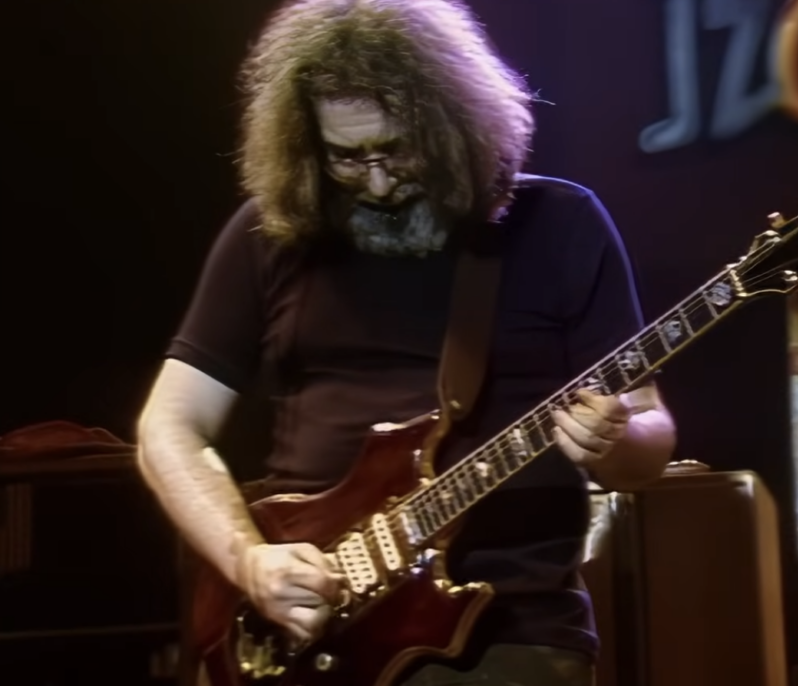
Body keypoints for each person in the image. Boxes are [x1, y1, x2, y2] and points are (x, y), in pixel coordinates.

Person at [135, 0, 677, 684]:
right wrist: (247, 559)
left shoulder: (559, 225)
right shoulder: (270, 235)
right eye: (346, 159)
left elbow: (648, 433)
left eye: (396, 150)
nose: (379, 183)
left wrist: (618, 438)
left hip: (504, 631)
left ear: (453, 125)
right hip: (300, 627)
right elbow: (169, 428)